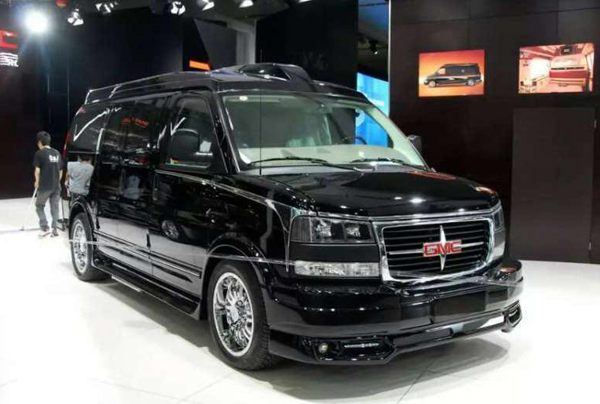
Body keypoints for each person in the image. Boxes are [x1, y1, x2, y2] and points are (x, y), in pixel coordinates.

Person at [33, 131, 62, 237]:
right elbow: (61, 171)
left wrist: (36, 182)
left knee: (39, 205)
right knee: (55, 208)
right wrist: (57, 181)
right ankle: (55, 229)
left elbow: (37, 170)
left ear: (40, 142)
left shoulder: (39, 153)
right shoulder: (57, 153)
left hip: (45, 186)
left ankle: (45, 227)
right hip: (56, 186)